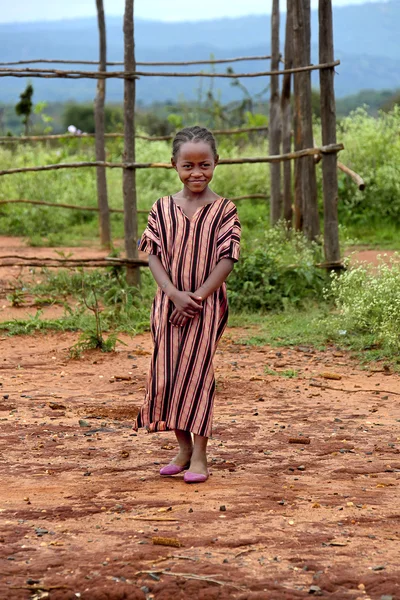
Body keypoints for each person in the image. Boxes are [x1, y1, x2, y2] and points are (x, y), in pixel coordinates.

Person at [133, 126, 241, 484]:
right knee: (167, 376)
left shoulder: (225, 209)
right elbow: (152, 255)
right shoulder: (162, 209)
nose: (197, 173)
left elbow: (227, 258)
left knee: (196, 375)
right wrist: (174, 294)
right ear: (174, 165)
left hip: (206, 308)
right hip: (168, 305)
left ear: (217, 163)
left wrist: (197, 297)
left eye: (205, 165)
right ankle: (181, 449)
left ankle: (201, 455)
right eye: (188, 165)